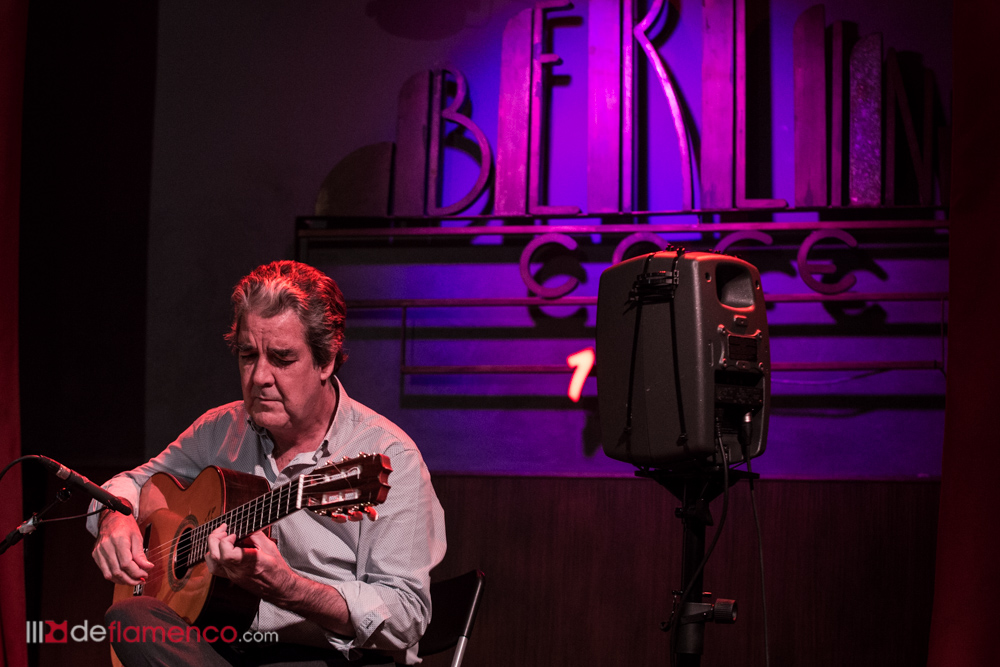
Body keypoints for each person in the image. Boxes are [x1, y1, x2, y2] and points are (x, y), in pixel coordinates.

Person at [88, 260, 446, 666]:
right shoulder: (220, 430)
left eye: (281, 358)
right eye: (247, 355)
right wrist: (114, 518)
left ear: (325, 361)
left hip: (325, 658)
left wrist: (288, 588)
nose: (259, 376)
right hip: (221, 648)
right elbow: (132, 483)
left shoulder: (388, 456)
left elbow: (406, 617)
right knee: (129, 618)